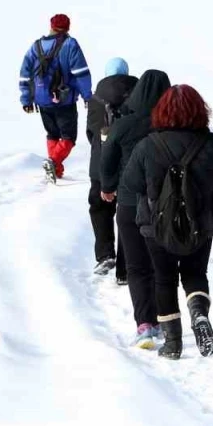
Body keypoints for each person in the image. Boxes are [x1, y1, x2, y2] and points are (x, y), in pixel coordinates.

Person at [124, 84, 213, 360]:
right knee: (195, 274)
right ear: (199, 111)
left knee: (164, 280)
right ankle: (199, 311)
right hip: (201, 224)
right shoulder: (212, 144)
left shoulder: (146, 146)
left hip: (156, 226)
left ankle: (173, 344)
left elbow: (130, 184)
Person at [100, 69, 171, 349]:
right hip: (165, 203)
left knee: (137, 266)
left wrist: (108, 186)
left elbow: (107, 158)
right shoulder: (171, 124)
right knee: (161, 265)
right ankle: (166, 320)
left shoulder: (123, 124)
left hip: (130, 202)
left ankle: (145, 325)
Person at [19, 14, 93, 182]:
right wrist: (88, 96)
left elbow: (25, 74)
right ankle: (53, 161)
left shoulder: (35, 46)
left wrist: (26, 99)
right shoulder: (70, 44)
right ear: (68, 27)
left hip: (42, 101)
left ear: (51, 26)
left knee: (52, 134)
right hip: (64, 100)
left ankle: (56, 171)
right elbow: (81, 73)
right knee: (69, 137)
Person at [87, 57, 138, 280]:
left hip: (100, 163)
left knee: (100, 208)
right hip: (130, 163)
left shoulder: (96, 97)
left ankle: (105, 255)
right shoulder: (138, 93)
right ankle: (125, 269)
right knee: (128, 212)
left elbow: (91, 132)